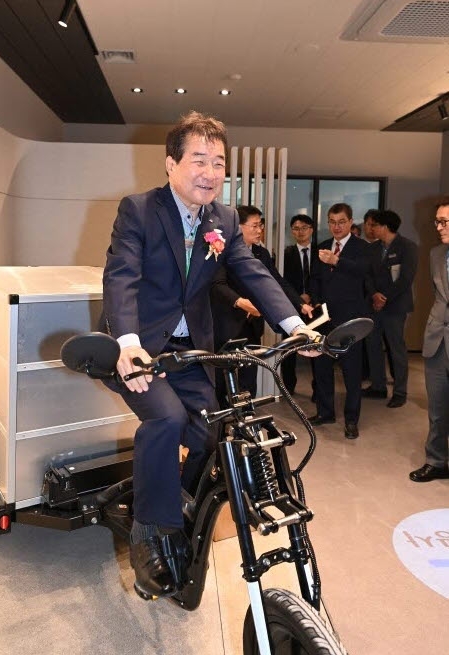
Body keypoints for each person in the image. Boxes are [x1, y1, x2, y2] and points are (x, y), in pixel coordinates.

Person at [98, 111, 320, 598]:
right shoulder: (139, 209)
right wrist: (127, 344)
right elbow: (121, 278)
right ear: (171, 163)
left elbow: (253, 273)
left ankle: (177, 503)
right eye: (199, 160)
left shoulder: (225, 219)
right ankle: (149, 532)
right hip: (140, 348)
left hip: (191, 350)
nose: (211, 172)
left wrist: (294, 326)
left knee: (210, 428)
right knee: (166, 420)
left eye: (219, 162)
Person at [210, 205, 312, 405]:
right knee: (221, 377)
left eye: (261, 226)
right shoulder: (221, 249)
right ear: (238, 226)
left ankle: (247, 413)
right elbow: (217, 285)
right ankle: (222, 418)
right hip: (226, 323)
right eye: (255, 225)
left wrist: (299, 303)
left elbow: (275, 282)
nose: (259, 230)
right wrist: (241, 303)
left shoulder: (261, 253)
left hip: (252, 325)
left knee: (249, 375)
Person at [309, 202, 371, 439]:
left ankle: (352, 420)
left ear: (351, 222)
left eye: (342, 222)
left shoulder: (361, 247)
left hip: (350, 319)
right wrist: (315, 300)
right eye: (332, 222)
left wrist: (336, 261)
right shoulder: (323, 246)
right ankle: (325, 412)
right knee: (322, 368)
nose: (337, 227)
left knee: (351, 372)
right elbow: (315, 278)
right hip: (324, 318)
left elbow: (364, 271)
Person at [410, 198, 449, 482]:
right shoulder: (436, 253)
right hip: (437, 340)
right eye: (437, 221)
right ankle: (436, 461)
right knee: (437, 408)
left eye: (444, 222)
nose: (438, 227)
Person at [363, 210, 418, 408]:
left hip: (395, 306)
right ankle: (378, 386)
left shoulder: (408, 247)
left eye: (374, 225)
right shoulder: (373, 248)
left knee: (396, 349)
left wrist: (384, 298)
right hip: (374, 304)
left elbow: (405, 279)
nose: (371, 229)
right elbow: (367, 275)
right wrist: (374, 295)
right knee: (372, 344)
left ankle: (400, 391)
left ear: (385, 227)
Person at [282, 214, 317, 396]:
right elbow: (283, 281)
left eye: (304, 228)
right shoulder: (285, 254)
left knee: (317, 348)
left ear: (311, 230)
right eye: (296, 228)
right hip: (291, 307)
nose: (300, 232)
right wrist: (298, 298)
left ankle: (318, 389)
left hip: (316, 307)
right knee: (289, 350)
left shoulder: (321, 252)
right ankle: (288, 387)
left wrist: (311, 296)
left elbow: (323, 280)